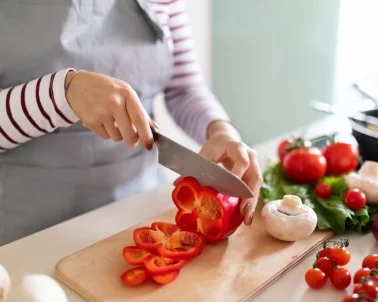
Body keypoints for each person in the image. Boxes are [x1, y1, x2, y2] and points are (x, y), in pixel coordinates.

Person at [0, 0, 262, 246]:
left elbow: (184, 88)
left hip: (138, 210)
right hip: (25, 233)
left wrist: (220, 130)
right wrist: (61, 93)